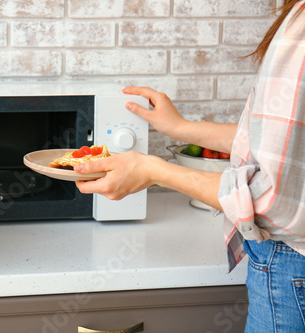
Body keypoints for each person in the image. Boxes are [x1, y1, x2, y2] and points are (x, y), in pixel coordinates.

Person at [75, 1, 305, 331]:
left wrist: (155, 170)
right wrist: (180, 127)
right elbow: (282, 145)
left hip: (291, 268)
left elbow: (271, 199)